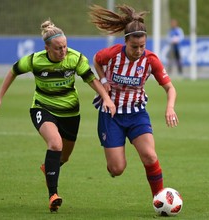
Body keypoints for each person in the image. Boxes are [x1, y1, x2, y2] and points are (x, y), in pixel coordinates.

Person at [0, 19, 116, 212]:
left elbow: (91, 80)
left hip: (71, 113)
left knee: (63, 157)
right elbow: (13, 72)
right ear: (47, 48)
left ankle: (48, 167)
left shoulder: (75, 58)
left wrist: (106, 98)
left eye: (65, 46)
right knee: (55, 144)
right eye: (58, 48)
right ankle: (53, 195)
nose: (63, 51)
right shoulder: (35, 60)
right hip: (43, 107)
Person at [89, 4, 178, 200]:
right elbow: (96, 60)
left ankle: (159, 199)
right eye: (134, 47)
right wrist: (103, 80)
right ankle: (114, 162)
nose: (138, 51)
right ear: (126, 42)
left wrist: (169, 107)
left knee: (150, 156)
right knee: (117, 168)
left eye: (142, 46)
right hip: (110, 114)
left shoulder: (150, 60)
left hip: (137, 113)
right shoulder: (112, 54)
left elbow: (170, 88)